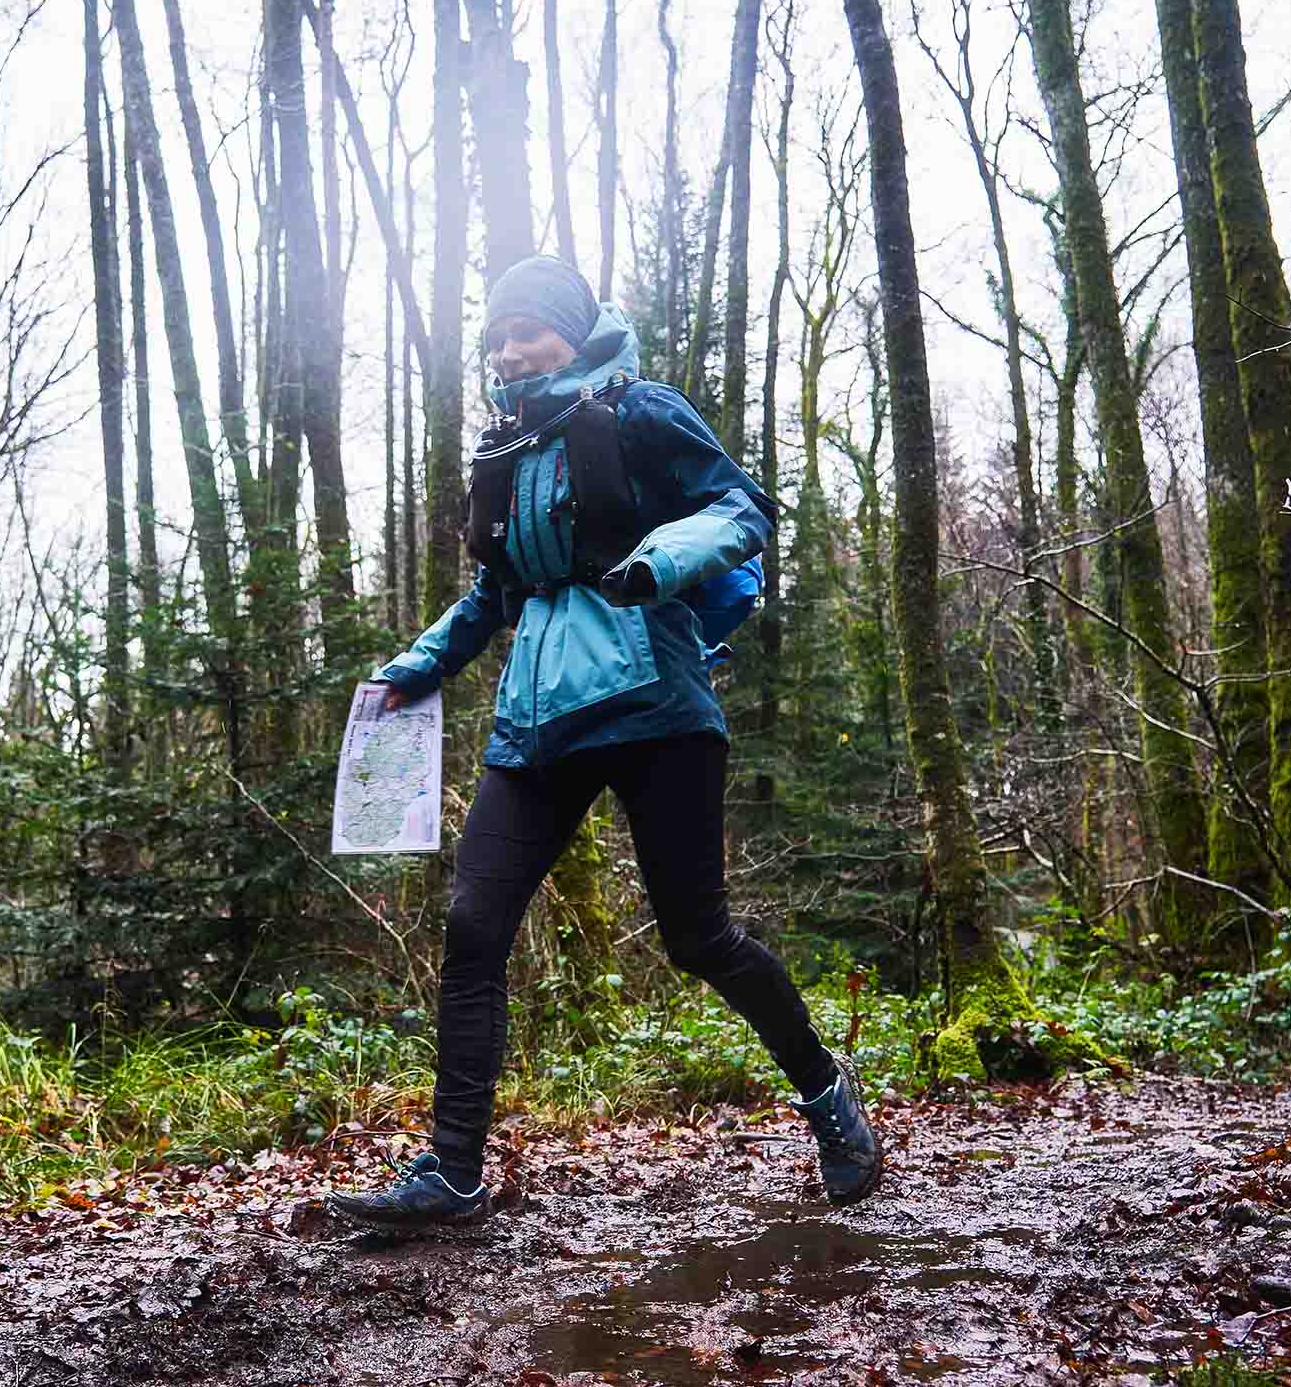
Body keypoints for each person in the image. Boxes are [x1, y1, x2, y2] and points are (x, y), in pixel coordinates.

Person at [328, 255, 882, 1231]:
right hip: (533, 730)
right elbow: (496, 592)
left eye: (529, 331)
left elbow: (743, 509)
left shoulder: (641, 412)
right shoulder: (506, 448)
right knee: (473, 928)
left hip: (655, 709)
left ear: (574, 333)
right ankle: (452, 1172)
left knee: (697, 939)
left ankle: (826, 1092)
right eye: (498, 336)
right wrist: (413, 668)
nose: (510, 351)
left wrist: (657, 560)